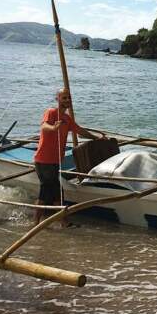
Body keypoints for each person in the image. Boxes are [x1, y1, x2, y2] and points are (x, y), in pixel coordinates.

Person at [33, 89, 102, 226]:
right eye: (64, 97)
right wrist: (53, 128)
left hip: (55, 160)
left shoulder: (67, 119)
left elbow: (80, 131)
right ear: (57, 99)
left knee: (57, 191)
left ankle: (62, 221)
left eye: (69, 98)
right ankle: (36, 223)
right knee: (46, 191)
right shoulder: (51, 112)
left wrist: (97, 138)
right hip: (44, 160)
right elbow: (44, 126)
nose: (67, 100)